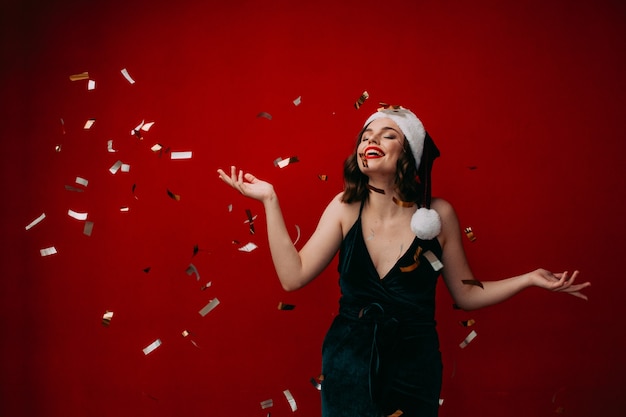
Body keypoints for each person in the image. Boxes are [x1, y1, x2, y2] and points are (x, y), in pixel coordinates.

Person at [217, 107, 590, 417]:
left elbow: (466, 294)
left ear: (408, 153)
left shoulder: (437, 215)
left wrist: (528, 279)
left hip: (415, 364)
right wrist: (270, 200)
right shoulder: (344, 207)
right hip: (347, 361)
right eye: (366, 135)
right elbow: (292, 277)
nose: (371, 140)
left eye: (387, 134)